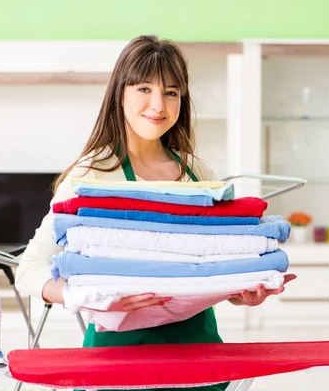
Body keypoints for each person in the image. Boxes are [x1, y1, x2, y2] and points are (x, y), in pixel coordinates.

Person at [15, 34, 296, 391]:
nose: (158, 104)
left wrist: (242, 291)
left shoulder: (199, 175)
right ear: (120, 93)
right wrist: (82, 296)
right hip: (117, 359)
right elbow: (30, 268)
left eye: (171, 92)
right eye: (144, 88)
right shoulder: (92, 175)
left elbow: (217, 262)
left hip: (200, 351)